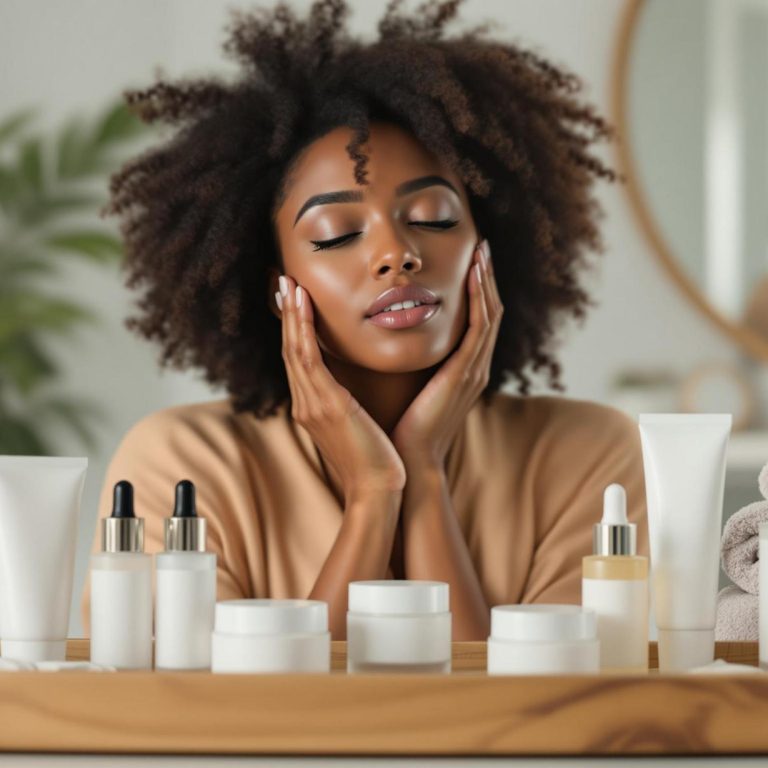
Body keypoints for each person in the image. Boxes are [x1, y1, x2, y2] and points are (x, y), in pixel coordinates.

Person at [81, 0, 647, 640]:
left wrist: (425, 475)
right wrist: (375, 494)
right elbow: (229, 722)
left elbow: (524, 722)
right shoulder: (183, 465)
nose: (395, 254)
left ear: (489, 246)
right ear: (278, 289)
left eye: (433, 218)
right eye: (334, 234)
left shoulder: (588, 457)